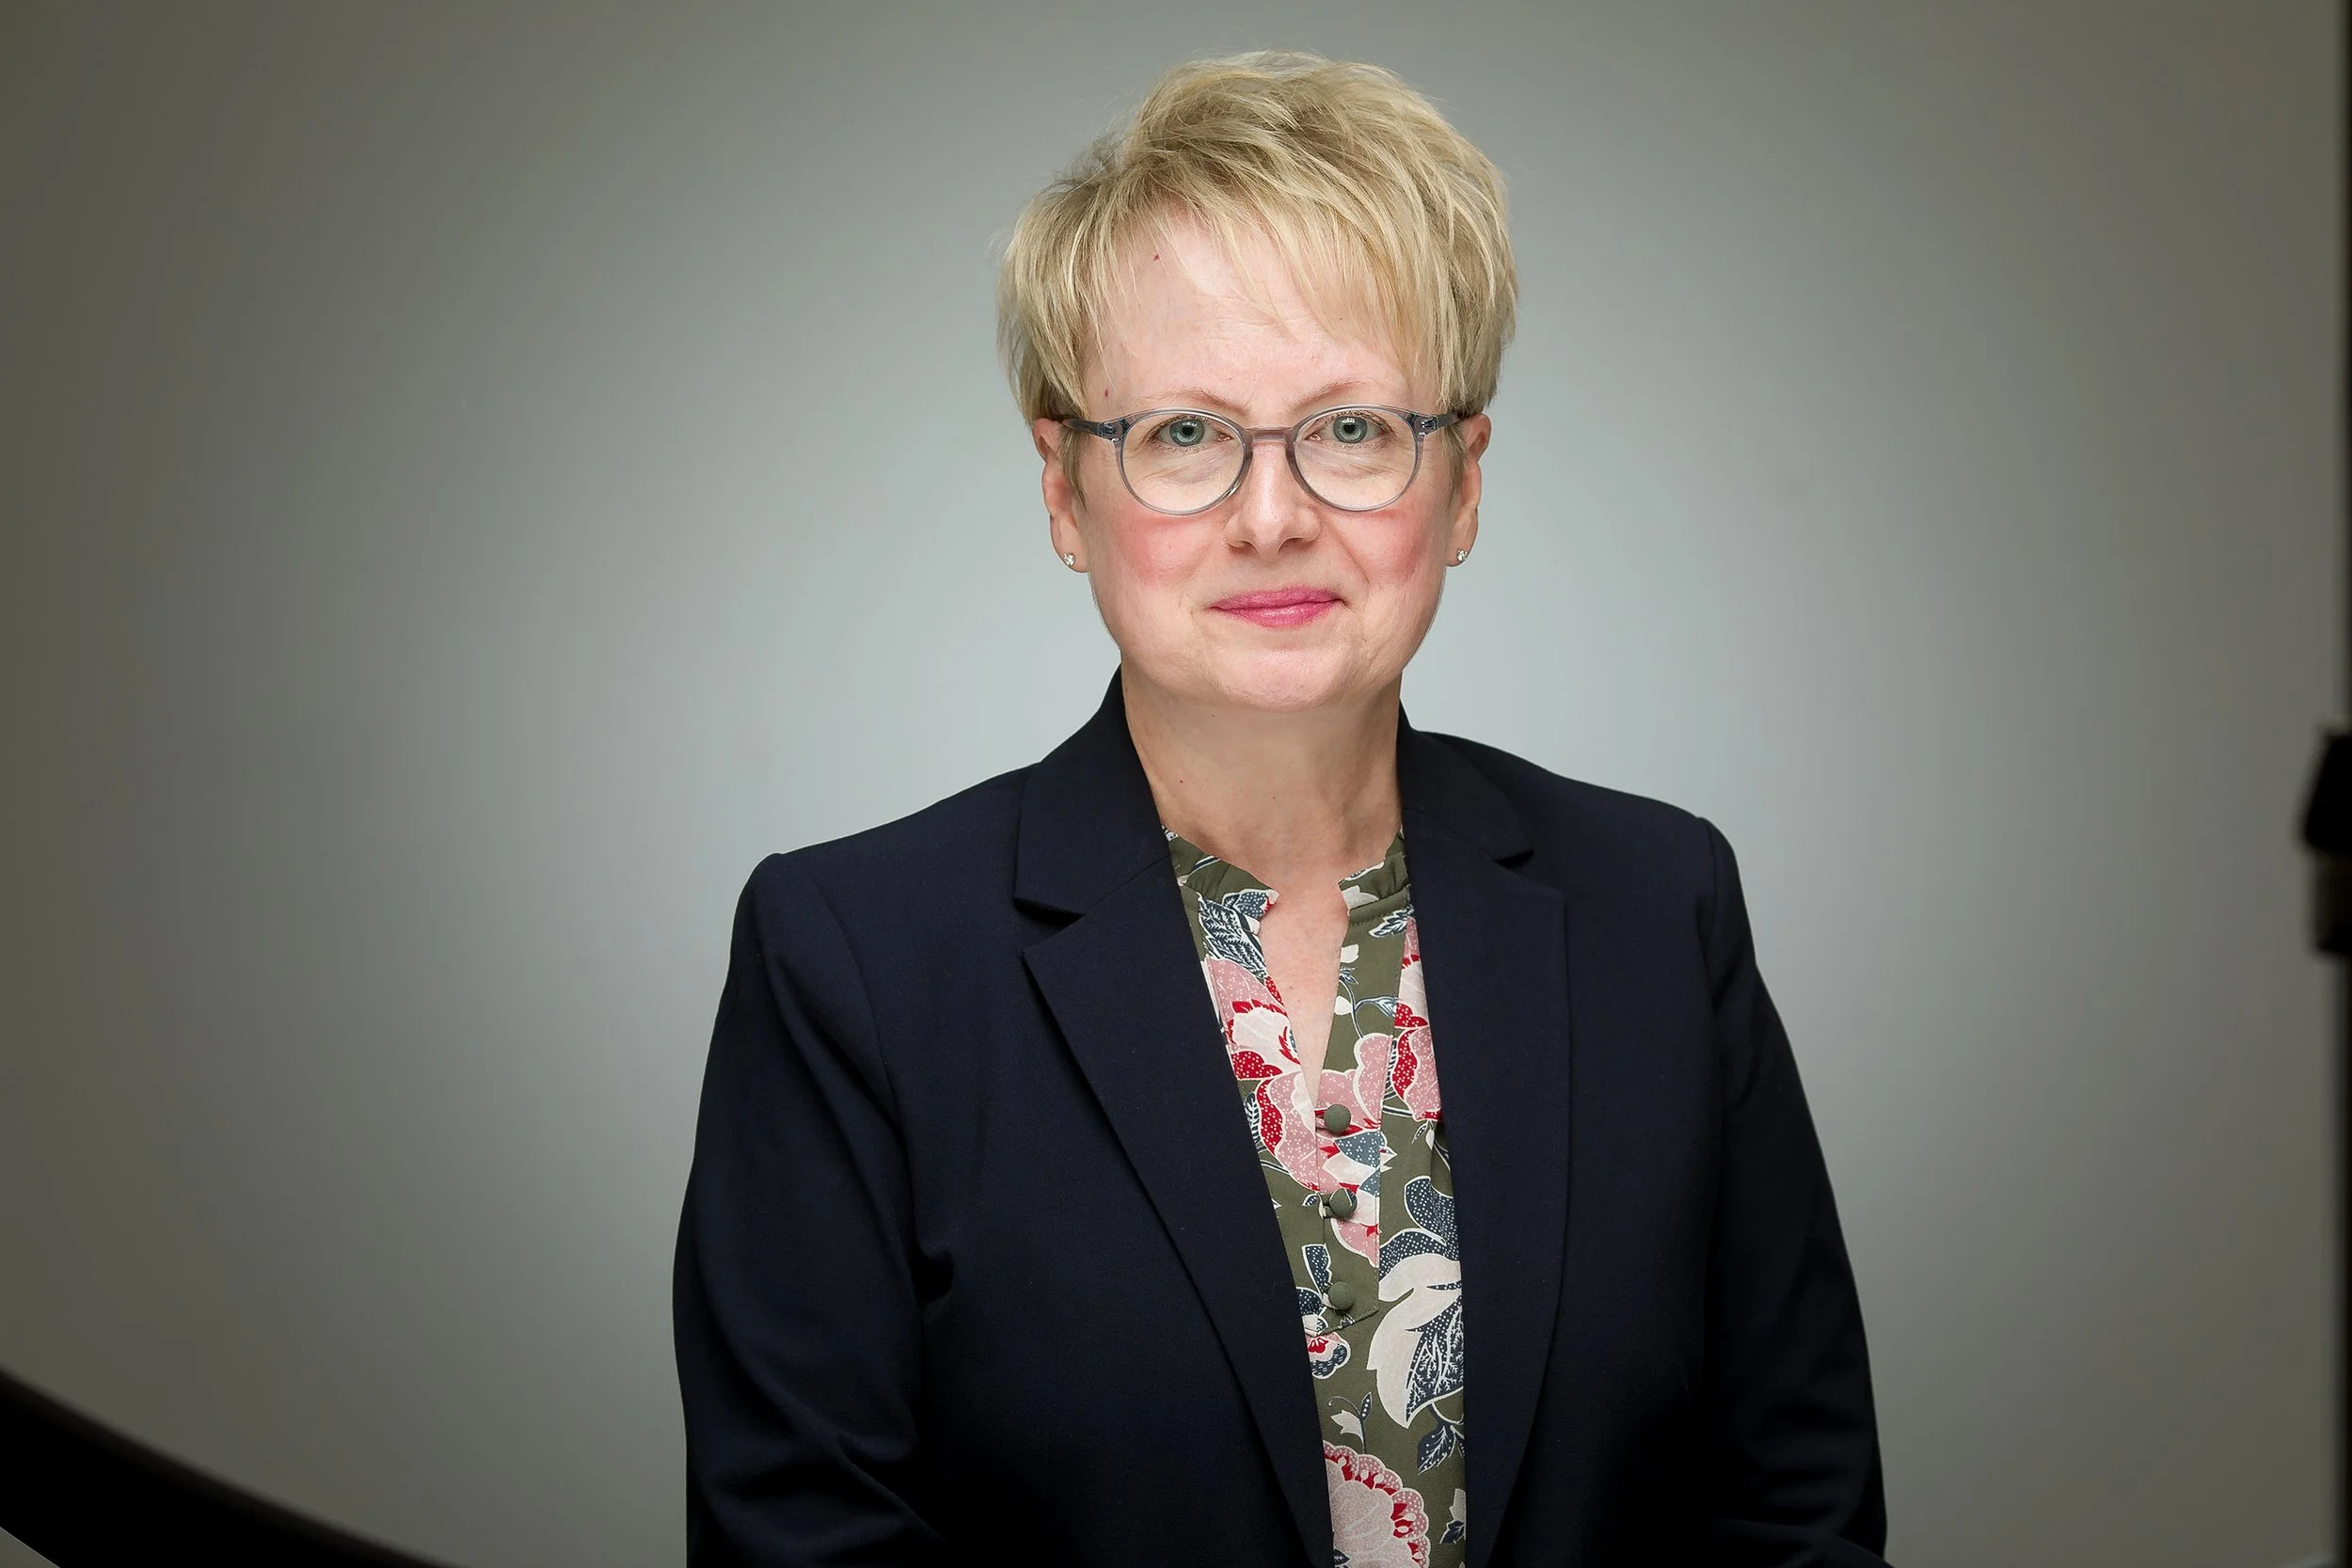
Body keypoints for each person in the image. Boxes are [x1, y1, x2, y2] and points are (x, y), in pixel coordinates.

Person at [673, 51, 1887, 1568]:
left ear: (1462, 481)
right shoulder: (851, 957)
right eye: (1183, 432)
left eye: (1354, 427)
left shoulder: (1660, 904)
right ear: (1063, 486)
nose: (1271, 514)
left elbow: (1795, 1514)